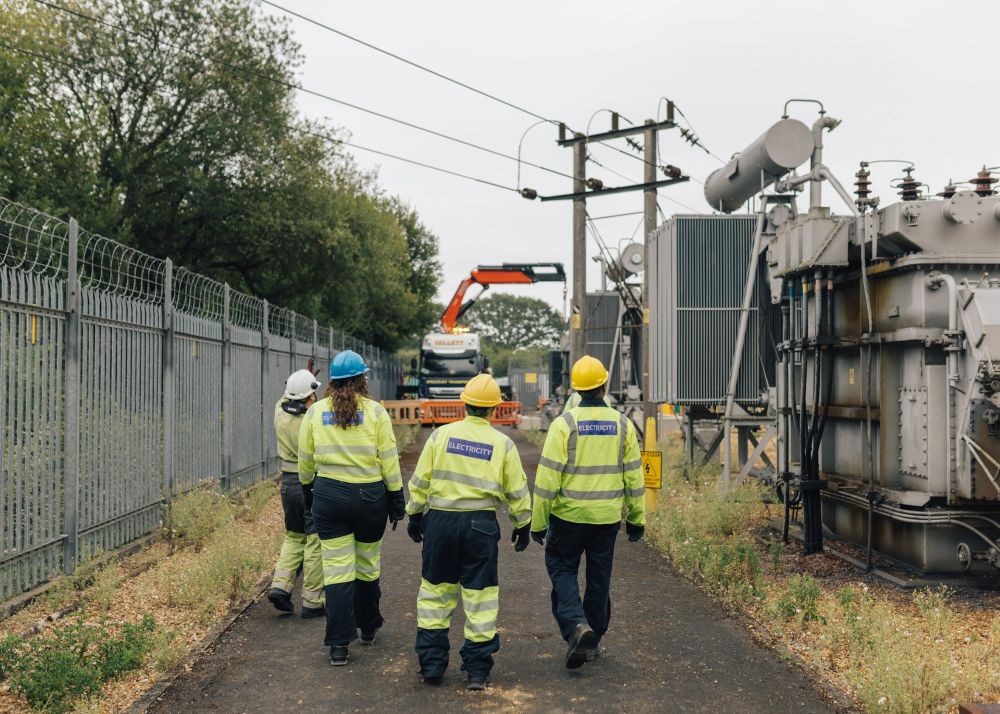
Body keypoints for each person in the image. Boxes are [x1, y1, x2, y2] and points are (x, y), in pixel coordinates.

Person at [405, 374, 532, 690]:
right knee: (480, 598)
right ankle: (477, 671)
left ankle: (432, 666)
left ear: (464, 403)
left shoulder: (440, 436)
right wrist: (523, 524)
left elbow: (420, 482)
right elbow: (517, 490)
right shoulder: (502, 443)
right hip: (480, 525)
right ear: (494, 410)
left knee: (435, 594)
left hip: (441, 523)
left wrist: (414, 516)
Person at [531, 355, 645, 669]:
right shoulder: (623, 425)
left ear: (576, 390)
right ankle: (593, 641)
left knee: (562, 570)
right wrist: (637, 519)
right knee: (599, 578)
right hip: (606, 518)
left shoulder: (563, 425)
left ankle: (576, 626)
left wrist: (537, 523)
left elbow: (546, 480)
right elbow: (634, 476)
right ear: (605, 385)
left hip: (567, 517)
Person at [298, 350, 405, 666]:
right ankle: (369, 627)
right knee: (367, 566)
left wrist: (309, 492)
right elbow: (389, 460)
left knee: (337, 569)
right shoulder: (375, 413)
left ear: (332, 381)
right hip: (370, 499)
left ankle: (339, 646)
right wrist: (396, 500)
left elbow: (305, 460)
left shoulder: (316, 412)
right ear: (362, 379)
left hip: (329, 498)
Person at [267, 369, 325, 617]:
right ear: (309, 397)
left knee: (293, 536)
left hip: (287, 484)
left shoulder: (279, 411)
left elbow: (289, 395)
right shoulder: (311, 420)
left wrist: (302, 379)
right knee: (314, 540)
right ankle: (313, 600)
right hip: (308, 483)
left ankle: (281, 585)